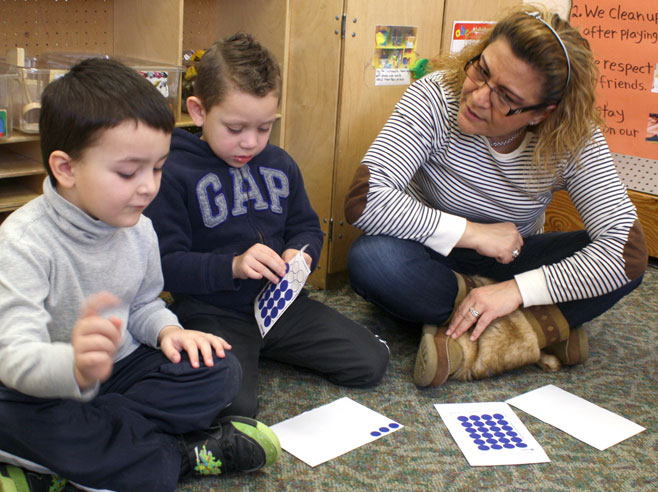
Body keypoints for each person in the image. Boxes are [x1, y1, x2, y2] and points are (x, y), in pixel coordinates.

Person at [0, 58, 281, 492]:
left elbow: (145, 304)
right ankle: (179, 456)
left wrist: (169, 332)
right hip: (45, 383)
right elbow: (13, 356)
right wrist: (73, 367)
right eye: (129, 172)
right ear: (66, 169)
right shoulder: (22, 243)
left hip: (121, 372)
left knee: (221, 370)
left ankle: (75, 461)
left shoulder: (140, 227)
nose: (149, 187)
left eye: (158, 167)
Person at [344, 5, 648, 387]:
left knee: (624, 264)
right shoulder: (436, 96)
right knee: (371, 259)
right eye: (482, 70)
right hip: (429, 253)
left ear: (541, 113)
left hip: (516, 262)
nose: (478, 97)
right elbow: (365, 198)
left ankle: (476, 326)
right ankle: (542, 329)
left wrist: (516, 290)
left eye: (505, 96)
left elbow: (628, 250)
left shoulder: (573, 137)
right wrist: (474, 233)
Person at [145, 33, 389, 418]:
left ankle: (258, 350)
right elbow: (165, 265)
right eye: (236, 128)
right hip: (213, 311)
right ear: (198, 111)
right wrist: (233, 265)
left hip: (279, 306)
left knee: (370, 362)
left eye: (264, 128)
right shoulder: (172, 172)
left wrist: (302, 254)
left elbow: (307, 227)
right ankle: (242, 357)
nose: (251, 143)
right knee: (234, 408)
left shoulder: (280, 163)